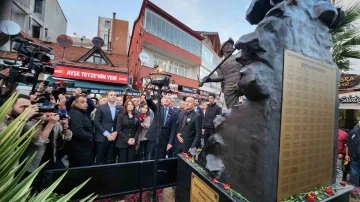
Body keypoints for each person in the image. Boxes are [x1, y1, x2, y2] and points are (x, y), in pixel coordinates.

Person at [202, 37, 242, 108]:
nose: (231, 46)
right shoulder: (220, 65)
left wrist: (243, 45)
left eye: (231, 45)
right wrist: (210, 80)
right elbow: (221, 77)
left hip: (242, 81)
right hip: (229, 85)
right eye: (228, 45)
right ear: (223, 49)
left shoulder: (239, 55)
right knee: (232, 109)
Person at [145, 92, 177, 159]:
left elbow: (173, 129)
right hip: (153, 137)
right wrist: (148, 96)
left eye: (169, 98)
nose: (167, 99)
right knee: (150, 156)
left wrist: (170, 142)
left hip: (164, 139)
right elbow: (150, 103)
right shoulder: (157, 108)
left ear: (171, 101)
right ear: (161, 100)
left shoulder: (174, 113)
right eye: (165, 98)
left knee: (161, 158)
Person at [94, 91, 121, 164]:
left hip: (115, 138)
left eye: (115, 95)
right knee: (100, 160)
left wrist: (116, 132)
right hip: (102, 138)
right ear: (107, 96)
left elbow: (121, 123)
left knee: (111, 160)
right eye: (111, 95)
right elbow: (96, 122)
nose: (113, 96)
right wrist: (107, 134)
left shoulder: (120, 108)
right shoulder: (101, 107)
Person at [68, 95, 94, 167]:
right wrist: (90, 137)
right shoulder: (76, 114)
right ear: (75, 103)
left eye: (86, 102)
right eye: (82, 102)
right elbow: (77, 131)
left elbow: (91, 106)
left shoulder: (82, 112)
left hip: (82, 146)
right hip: (80, 147)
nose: (85, 104)